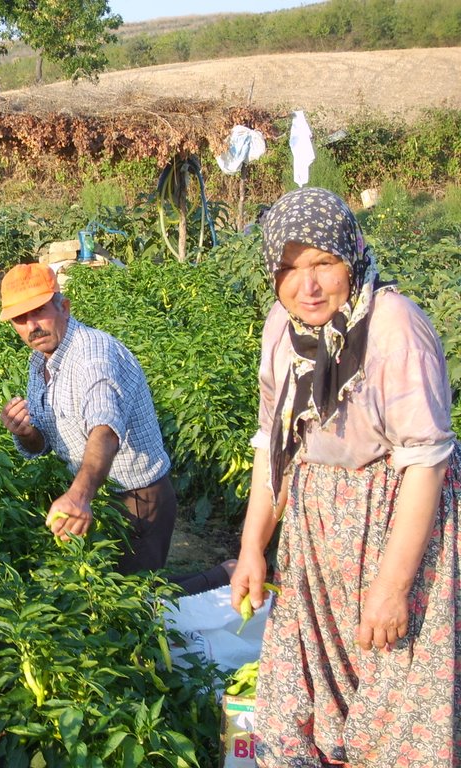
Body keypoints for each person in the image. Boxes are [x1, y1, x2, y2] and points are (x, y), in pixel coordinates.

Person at [229, 187, 460, 766]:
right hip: (318, 537)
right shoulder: (281, 329)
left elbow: (426, 462)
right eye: (288, 268)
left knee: (396, 701)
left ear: (350, 258)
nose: (306, 286)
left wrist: (392, 587)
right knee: (302, 705)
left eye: (323, 264)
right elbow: (273, 446)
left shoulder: (394, 328)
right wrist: (253, 546)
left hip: (397, 528)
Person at [0, 262, 179, 574]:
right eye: (20, 318)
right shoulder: (40, 361)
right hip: (98, 493)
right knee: (108, 594)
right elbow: (44, 440)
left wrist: (78, 497)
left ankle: (224, 575)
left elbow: (105, 430)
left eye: (39, 311)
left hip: (136, 500)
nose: (31, 326)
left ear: (64, 307)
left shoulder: (93, 354)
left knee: (141, 603)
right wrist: (26, 432)